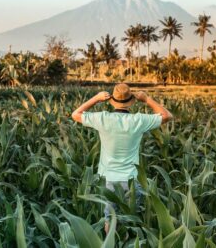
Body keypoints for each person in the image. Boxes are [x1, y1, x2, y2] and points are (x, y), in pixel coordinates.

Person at [71, 83, 173, 233]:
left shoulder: (103, 118)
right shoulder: (138, 120)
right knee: (131, 221)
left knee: (109, 220)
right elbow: (167, 116)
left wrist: (96, 98)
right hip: (132, 180)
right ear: (131, 100)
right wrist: (146, 99)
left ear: (112, 99)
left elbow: (75, 114)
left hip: (109, 180)